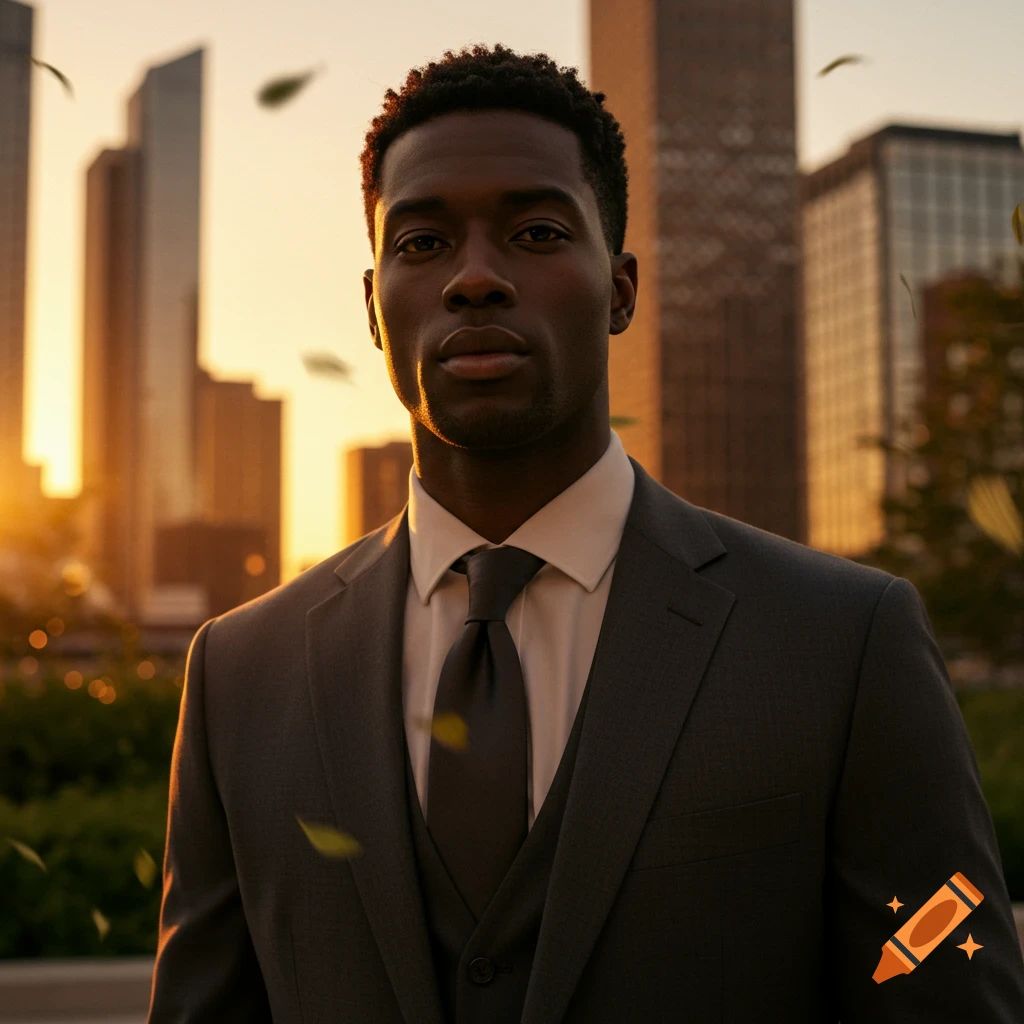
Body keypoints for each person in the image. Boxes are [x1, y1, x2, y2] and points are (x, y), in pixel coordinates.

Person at [147, 42, 1024, 1023]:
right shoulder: (240, 672)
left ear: (620, 288)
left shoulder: (841, 643)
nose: (474, 278)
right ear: (371, 307)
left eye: (533, 230)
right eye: (422, 242)